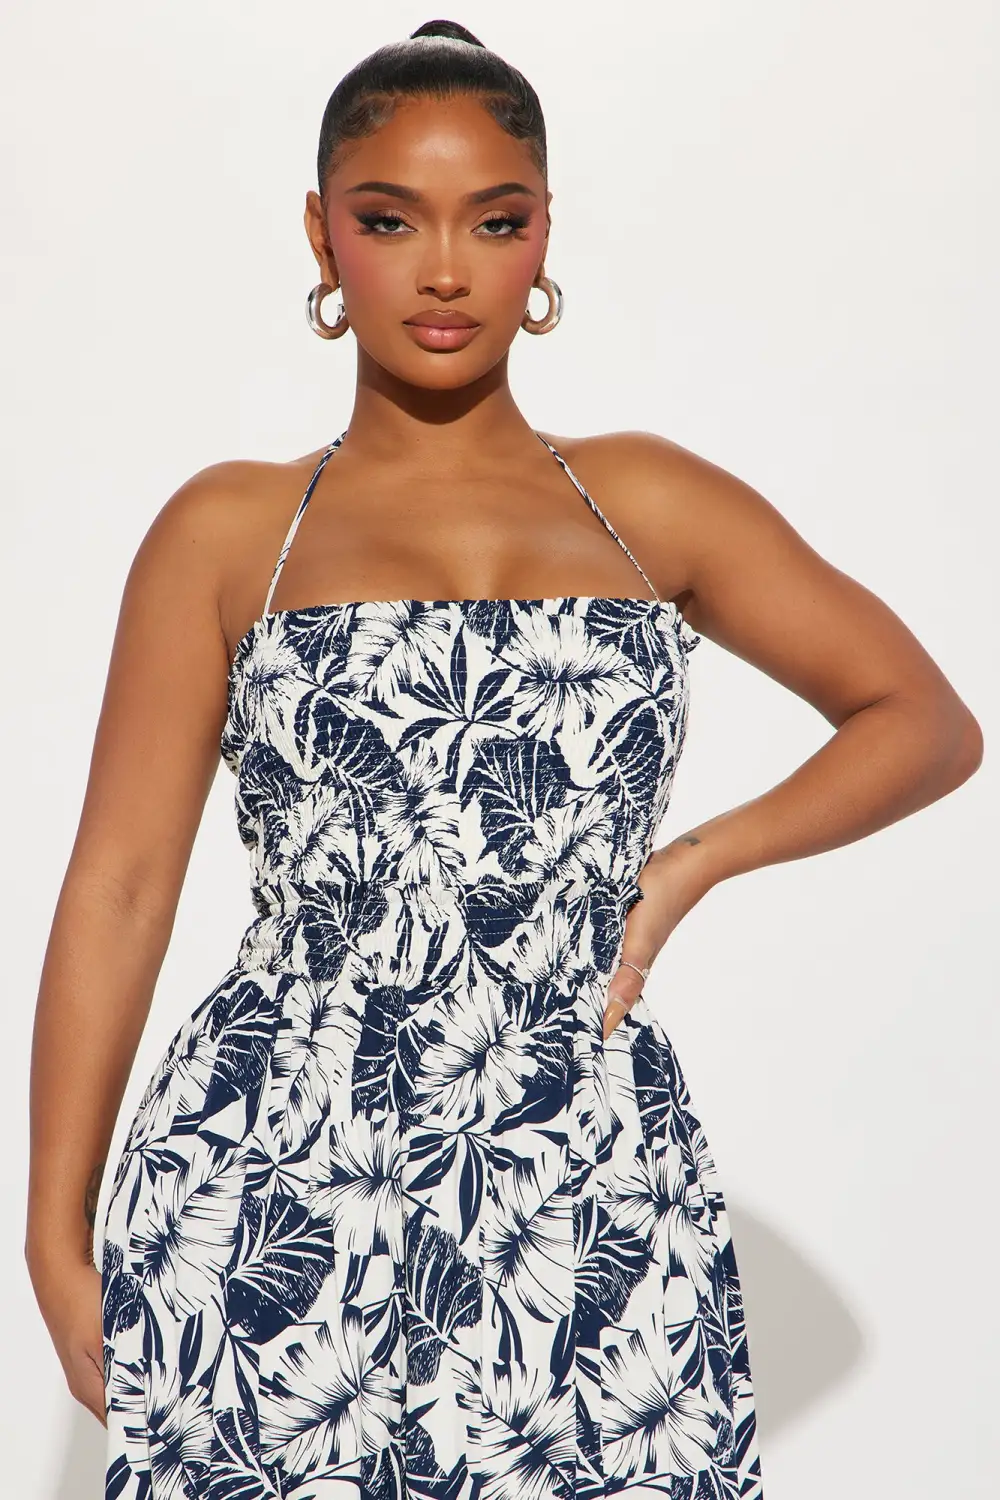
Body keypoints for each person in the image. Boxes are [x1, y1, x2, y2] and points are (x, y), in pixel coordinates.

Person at [24, 18, 982, 1500]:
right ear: (321, 236)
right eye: (388, 221)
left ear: (546, 239)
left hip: (582, 1176)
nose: (445, 272)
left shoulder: (646, 503)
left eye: (494, 221)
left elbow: (922, 719)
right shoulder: (229, 531)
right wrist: (51, 1223)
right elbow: (122, 884)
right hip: (267, 1179)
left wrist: (689, 866)